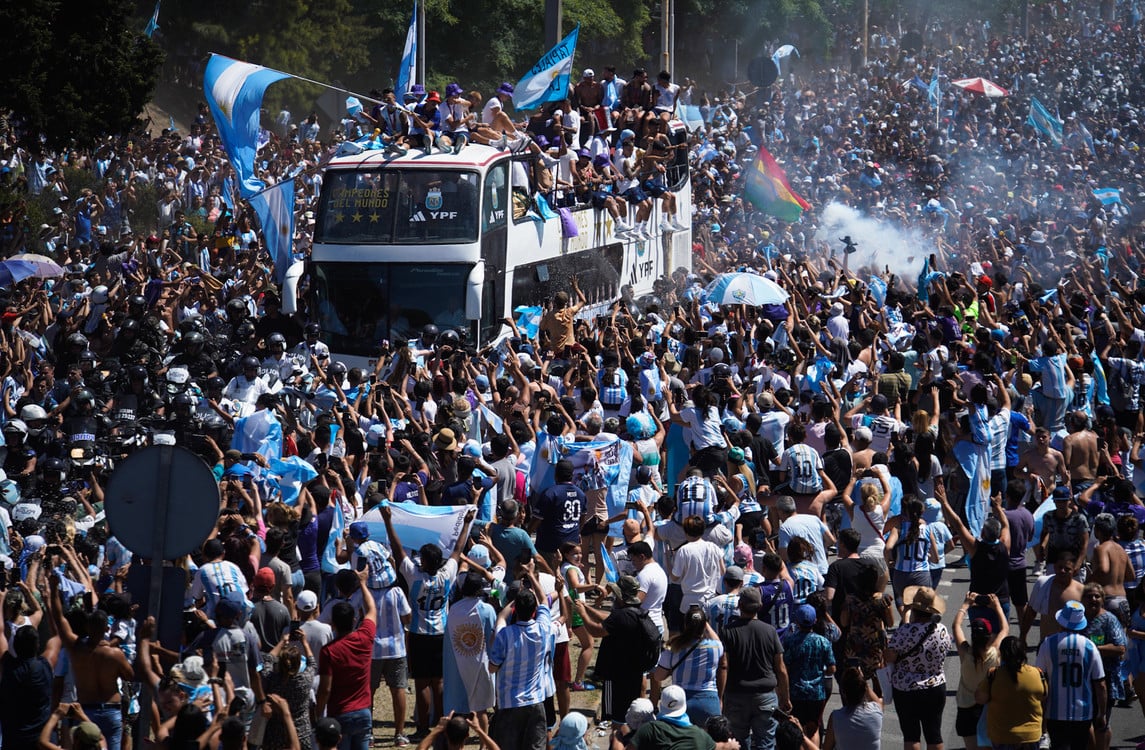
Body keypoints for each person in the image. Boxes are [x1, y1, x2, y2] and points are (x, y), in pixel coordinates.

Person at [719, 586, 792, 750]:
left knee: (737, 741)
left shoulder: (727, 632)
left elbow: (724, 665)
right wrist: (785, 697)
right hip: (765, 695)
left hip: (736, 694)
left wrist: (720, 695)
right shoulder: (770, 631)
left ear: (739, 605)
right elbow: (780, 668)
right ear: (759, 606)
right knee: (766, 742)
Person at [574, 575, 655, 724]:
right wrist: (587, 608)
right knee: (630, 712)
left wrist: (582, 614)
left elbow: (596, 631)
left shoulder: (622, 616)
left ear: (621, 596)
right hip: (634, 671)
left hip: (617, 673)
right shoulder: (635, 612)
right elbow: (608, 618)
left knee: (614, 718)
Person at [487, 570, 554, 750]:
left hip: (509, 703)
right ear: (534, 611)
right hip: (535, 702)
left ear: (515, 609)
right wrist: (532, 576)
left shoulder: (505, 635)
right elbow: (544, 602)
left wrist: (513, 602)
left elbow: (492, 668)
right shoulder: (543, 630)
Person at [316, 566, 378, 750]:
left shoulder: (329, 651)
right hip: (363, 712)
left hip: (340, 713)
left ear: (333, 624)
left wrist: (319, 715)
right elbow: (372, 609)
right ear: (353, 620)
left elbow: (325, 689)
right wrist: (363, 584)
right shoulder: (365, 638)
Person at [884, 586, 952, 750]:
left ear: (914, 609)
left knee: (911, 735)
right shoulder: (941, 630)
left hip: (906, 689)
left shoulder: (904, 631)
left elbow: (889, 657)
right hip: (935, 686)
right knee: (934, 734)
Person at [1036, 601, 1107, 750]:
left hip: (1055, 711)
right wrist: (1101, 713)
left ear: (1061, 621)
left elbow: (1039, 677)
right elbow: (1100, 684)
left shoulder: (1048, 643)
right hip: (1082, 712)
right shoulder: (1089, 646)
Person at [652, 606, 726, 727]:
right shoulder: (715, 647)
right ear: (704, 626)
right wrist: (705, 624)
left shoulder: (673, 647)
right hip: (708, 702)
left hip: (681, 701)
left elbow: (658, 677)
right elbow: (717, 640)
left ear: (685, 625)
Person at [951, 594, 1007, 750]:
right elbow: (1004, 629)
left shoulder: (965, 653)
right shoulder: (995, 652)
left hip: (966, 708)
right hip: (987, 708)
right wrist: (997, 606)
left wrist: (965, 604)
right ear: (989, 636)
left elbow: (956, 626)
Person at [974, 636, 1046, 750]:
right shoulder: (1037, 674)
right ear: (1023, 653)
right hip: (1031, 736)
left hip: (1002, 736)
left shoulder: (994, 675)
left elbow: (980, 698)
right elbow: (1043, 696)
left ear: (1002, 654)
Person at [1079, 582, 1126, 750]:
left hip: (1105, 680)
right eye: (1089, 596)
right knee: (1084, 723)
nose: (1093, 599)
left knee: (1102, 721)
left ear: (1103, 599)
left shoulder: (1109, 620)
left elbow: (1120, 647)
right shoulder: (1079, 619)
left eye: (1097, 596)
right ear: (1082, 599)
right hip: (1082, 680)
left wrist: (1093, 649)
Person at [781, 604, 836, 743]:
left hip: (795, 691)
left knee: (794, 727)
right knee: (813, 729)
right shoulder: (823, 642)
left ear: (797, 622)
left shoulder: (790, 641)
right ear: (815, 620)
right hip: (816, 693)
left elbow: (785, 667)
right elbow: (832, 668)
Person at [822, 667, 882, 750]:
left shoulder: (836, 717)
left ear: (843, 692)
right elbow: (879, 702)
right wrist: (863, 681)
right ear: (864, 689)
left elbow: (827, 748)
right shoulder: (876, 711)